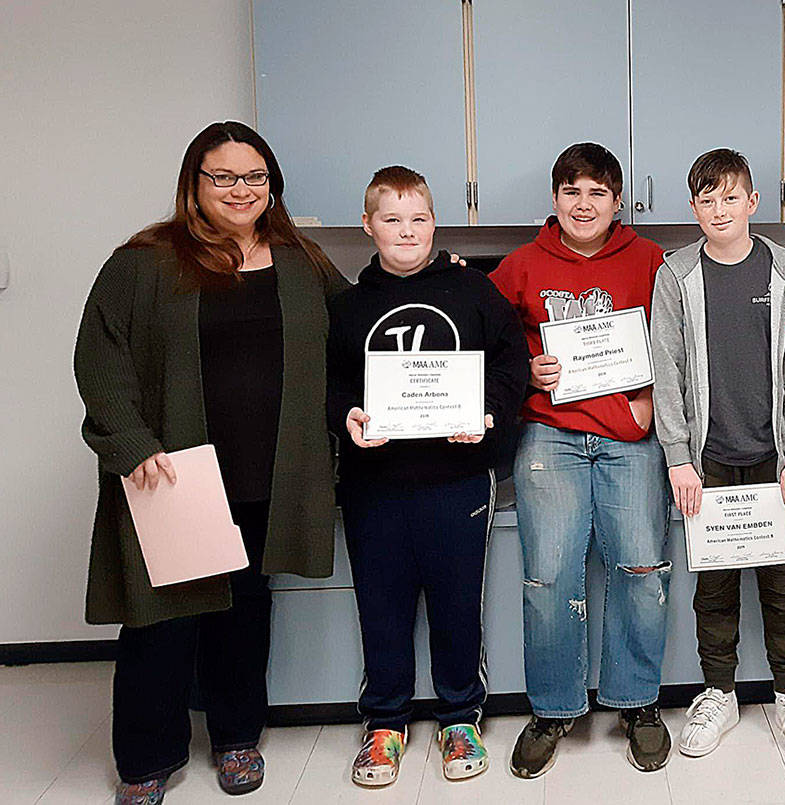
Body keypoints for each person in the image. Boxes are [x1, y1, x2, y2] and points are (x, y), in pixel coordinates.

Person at [73, 121, 346, 804]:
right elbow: (99, 357)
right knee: (160, 620)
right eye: (222, 176)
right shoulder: (143, 262)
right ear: (194, 184)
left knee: (243, 612)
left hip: (267, 474)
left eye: (254, 176)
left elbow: (361, 321)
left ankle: (235, 737)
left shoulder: (299, 259)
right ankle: (146, 758)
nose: (240, 189)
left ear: (272, 185)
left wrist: (439, 279)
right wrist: (132, 443)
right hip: (175, 476)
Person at [326, 165, 529, 787]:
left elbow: (511, 363)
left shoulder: (475, 293)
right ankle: (384, 721)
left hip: (457, 480)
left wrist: (488, 416)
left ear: (434, 222)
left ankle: (459, 714)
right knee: (381, 605)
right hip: (374, 485)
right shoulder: (349, 306)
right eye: (391, 220)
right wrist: (348, 417)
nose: (406, 231)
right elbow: (327, 385)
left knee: (456, 602)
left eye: (418, 218)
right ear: (369, 226)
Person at [489, 142, 672, 777]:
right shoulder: (521, 266)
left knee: (641, 571)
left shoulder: (652, 262)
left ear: (619, 201)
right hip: (551, 436)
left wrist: (650, 396)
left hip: (629, 440)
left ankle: (636, 702)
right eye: (573, 192)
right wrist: (525, 369)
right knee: (548, 580)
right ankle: (553, 707)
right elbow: (483, 338)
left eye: (597, 192)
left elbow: (678, 341)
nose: (585, 204)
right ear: (555, 200)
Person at [650, 148, 785, 759]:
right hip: (708, 459)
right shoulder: (673, 275)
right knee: (715, 585)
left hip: (777, 458)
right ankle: (717, 693)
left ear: (753, 202)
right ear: (692, 206)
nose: (719, 209)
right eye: (706, 198)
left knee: (784, 584)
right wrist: (677, 456)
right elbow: (665, 370)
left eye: (731, 197)